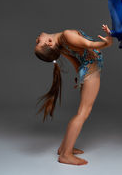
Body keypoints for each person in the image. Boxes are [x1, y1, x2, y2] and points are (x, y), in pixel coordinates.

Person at [34, 24, 113, 165]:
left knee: (81, 113)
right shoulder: (66, 36)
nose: (37, 39)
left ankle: (63, 148)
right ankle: (65, 155)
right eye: (38, 42)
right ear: (49, 43)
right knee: (83, 113)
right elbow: (89, 44)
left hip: (86, 71)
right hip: (91, 71)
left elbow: (76, 60)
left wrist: (80, 77)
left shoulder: (60, 44)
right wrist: (107, 43)